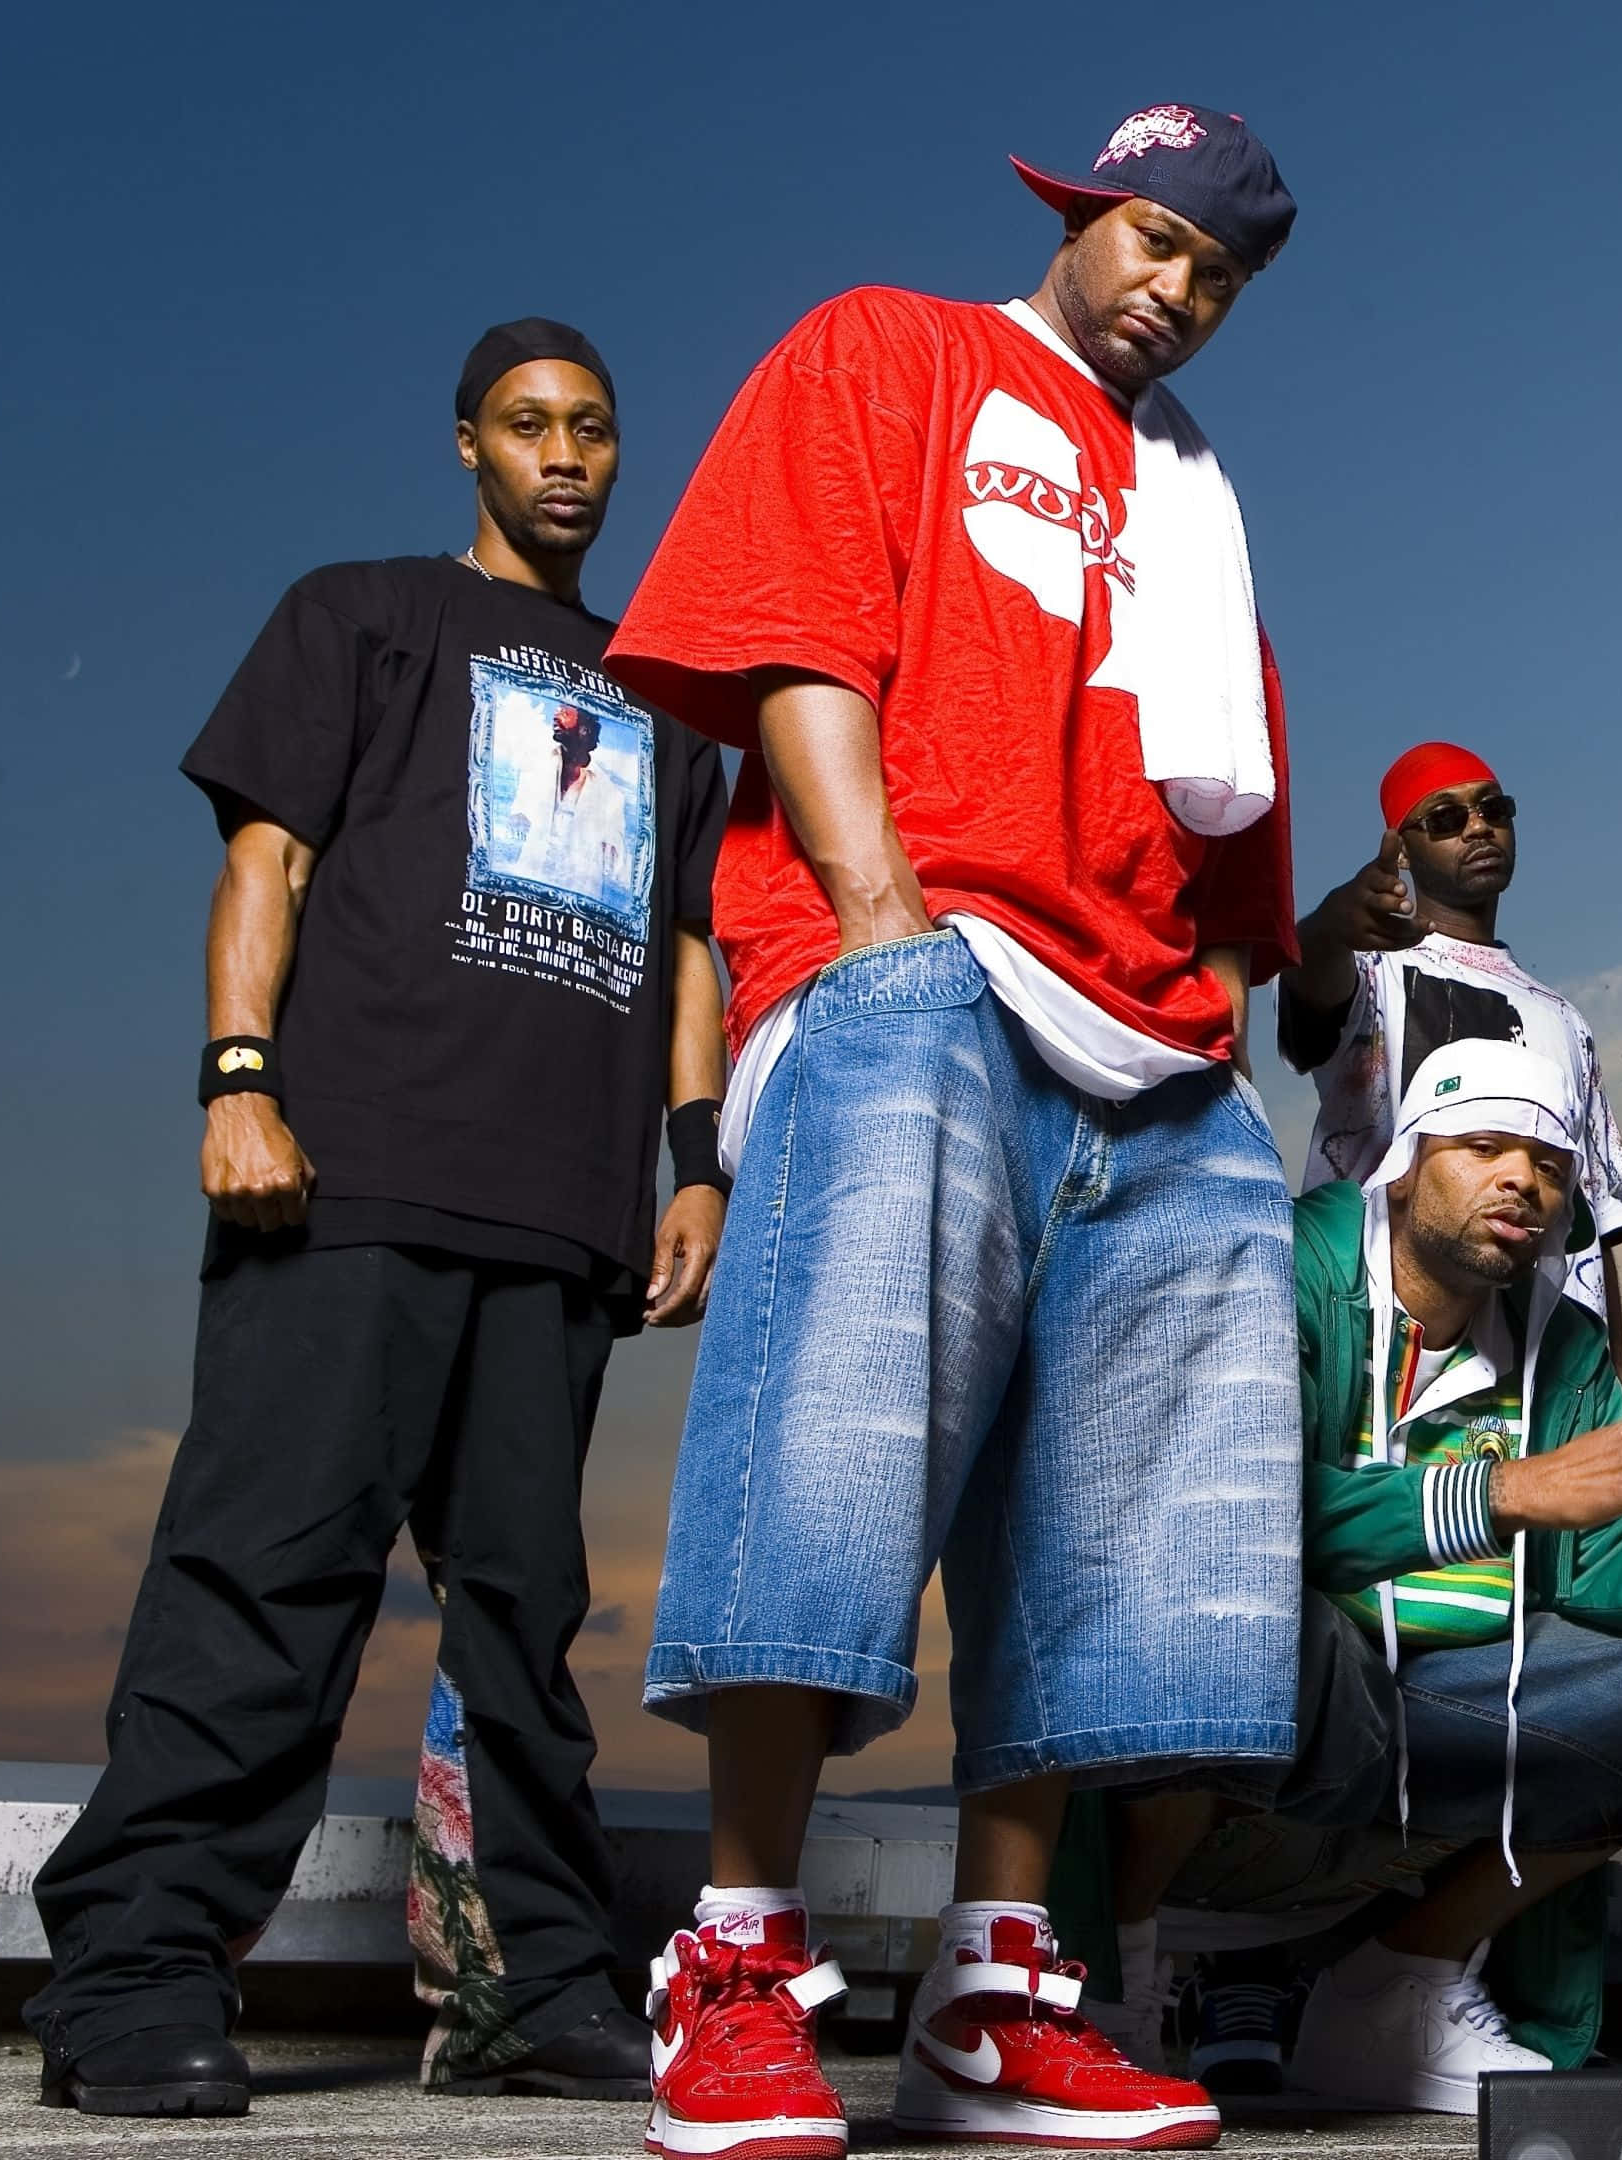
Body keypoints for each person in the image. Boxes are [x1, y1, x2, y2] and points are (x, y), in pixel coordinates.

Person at [600, 105, 1309, 2156]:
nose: (1176, 291)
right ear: (1084, 215)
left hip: (1153, 1047)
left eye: (1218, 276)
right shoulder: (894, 349)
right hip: (926, 970)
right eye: (1154, 240)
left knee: (1121, 1515)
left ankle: (995, 1993)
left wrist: (1215, 1033)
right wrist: (881, 923)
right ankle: (737, 1959)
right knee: (834, 1437)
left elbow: (1234, 841)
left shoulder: (1196, 506)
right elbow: (796, 634)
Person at [27, 320, 730, 2119]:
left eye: (592, 427)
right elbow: (262, 860)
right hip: (349, 1178)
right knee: (266, 1578)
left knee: (524, 1622)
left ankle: (530, 1989)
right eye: (528, 424)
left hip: (561, 1218)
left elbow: (687, 952)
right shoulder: (361, 615)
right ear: (467, 445)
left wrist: (697, 1163)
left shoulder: (668, 699)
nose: (564, 454)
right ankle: (130, 1975)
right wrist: (236, 1081)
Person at [1078, 1039, 1622, 2112]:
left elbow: (1603, 1586)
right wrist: (1500, 1492)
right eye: (1484, 1146)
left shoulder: (1567, 1347)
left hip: (1438, 1731)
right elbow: (1218, 1514)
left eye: (1549, 1164)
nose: (1522, 1180)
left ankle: (1397, 1987)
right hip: (1255, 1741)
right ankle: (1112, 1990)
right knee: (1226, 1607)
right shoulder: (1277, 1267)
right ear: (1404, 1166)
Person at [1281, 741, 1622, 1322]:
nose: (1478, 828)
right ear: (1403, 851)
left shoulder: (1564, 1020)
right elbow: (1312, 987)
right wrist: (1327, 927)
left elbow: (1594, 1222)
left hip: (1543, 1353)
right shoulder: (1372, 973)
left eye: (1493, 810)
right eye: (1446, 819)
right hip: (1381, 1331)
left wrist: (1610, 1364)